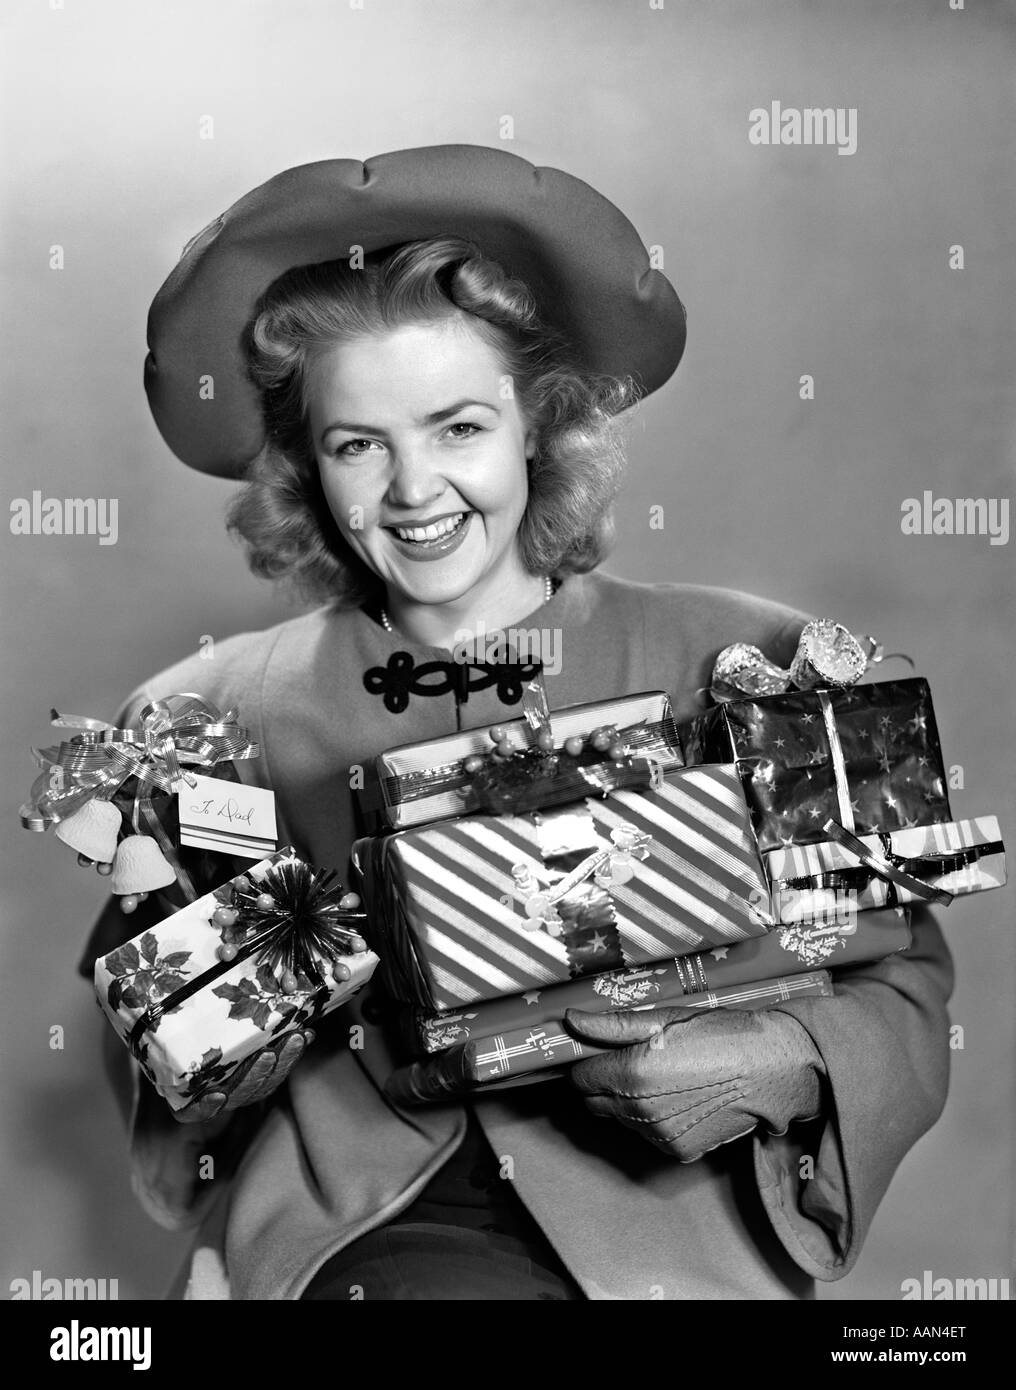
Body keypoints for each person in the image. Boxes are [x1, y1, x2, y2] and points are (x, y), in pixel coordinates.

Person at [79, 145, 953, 1300]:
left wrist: (787, 1059)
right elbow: (149, 1061)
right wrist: (209, 1046)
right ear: (305, 462)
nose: (412, 490)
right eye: (357, 444)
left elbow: (904, 983)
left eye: (456, 428)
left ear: (538, 425)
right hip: (354, 1243)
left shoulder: (755, 661)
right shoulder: (201, 715)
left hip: (669, 1249)